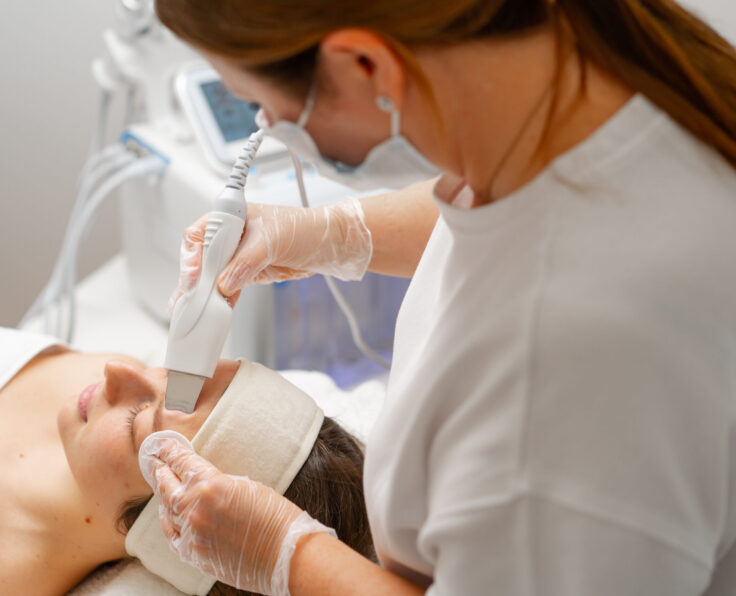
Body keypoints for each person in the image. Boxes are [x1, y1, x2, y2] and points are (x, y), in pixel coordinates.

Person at [141, 1, 736, 595]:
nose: (267, 122)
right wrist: (329, 233)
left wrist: (283, 555)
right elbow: (516, 205)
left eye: (269, 107)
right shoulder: (603, 74)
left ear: (366, 65)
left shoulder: (555, 389)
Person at [0, 327, 372, 596]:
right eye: (181, 374)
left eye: (139, 421)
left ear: (173, 527)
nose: (117, 370)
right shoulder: (91, 384)